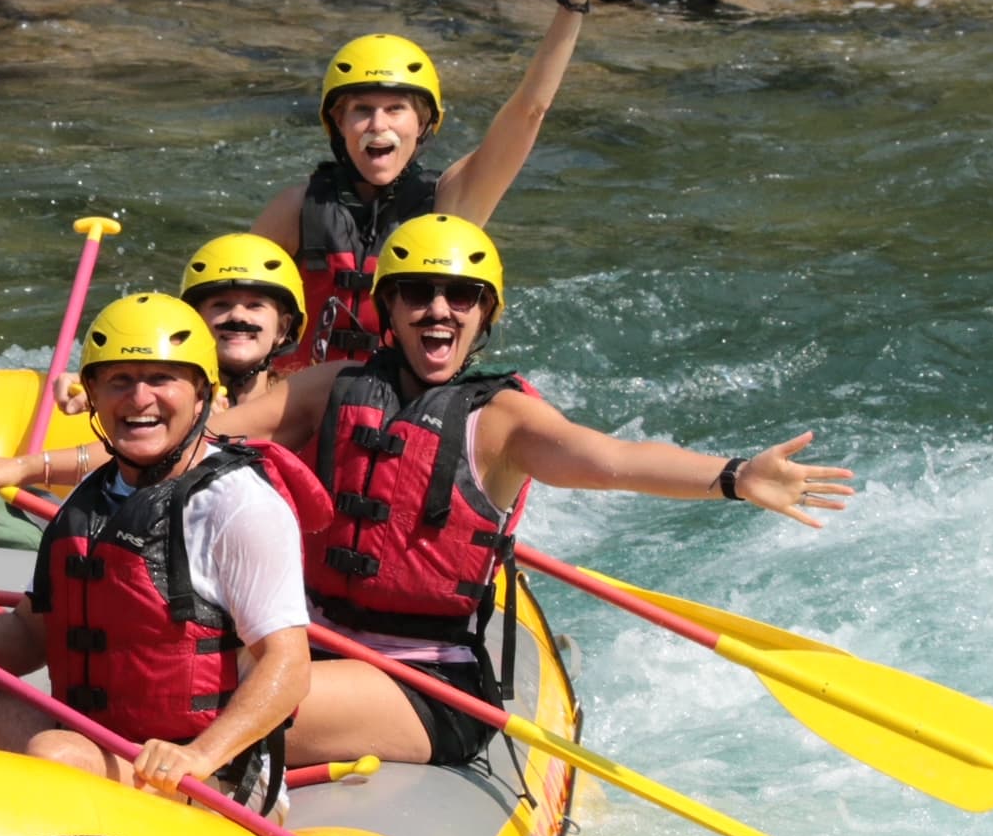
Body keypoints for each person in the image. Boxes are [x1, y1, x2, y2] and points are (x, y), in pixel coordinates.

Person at [215, 213, 853, 770]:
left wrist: (736, 477)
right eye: (417, 293)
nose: (439, 309)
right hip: (314, 642)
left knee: (216, 703)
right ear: (391, 308)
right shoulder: (332, 387)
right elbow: (206, 438)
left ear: (484, 313)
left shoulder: (503, 420)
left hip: (427, 682)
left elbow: (614, 462)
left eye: (461, 296)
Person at [0, 295, 313, 808]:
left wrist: (199, 755)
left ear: (202, 393)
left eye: (162, 379)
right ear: (91, 394)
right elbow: (29, 635)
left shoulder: (240, 505)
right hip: (91, 738)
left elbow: (288, 668)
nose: (139, 399)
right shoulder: (91, 496)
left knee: (55, 756)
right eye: (120, 381)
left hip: (211, 774)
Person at [249, 0, 661, 370]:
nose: (377, 125)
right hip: (301, 409)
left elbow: (529, 111)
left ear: (423, 125)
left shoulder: (449, 203)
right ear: (338, 125)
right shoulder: (295, 210)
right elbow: (229, 307)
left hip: (397, 410)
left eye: (396, 110)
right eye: (361, 110)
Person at [179, 232, 306, 410]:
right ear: (195, 321)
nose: (238, 316)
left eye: (255, 305)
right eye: (221, 304)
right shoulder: (171, 407)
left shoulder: (304, 411)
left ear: (282, 328)